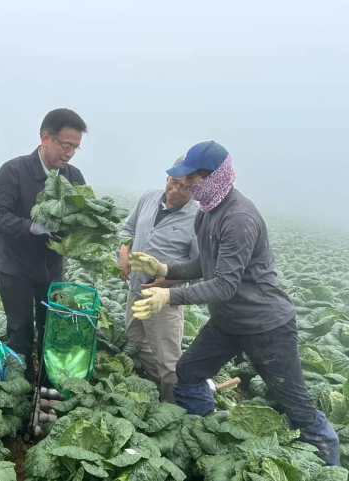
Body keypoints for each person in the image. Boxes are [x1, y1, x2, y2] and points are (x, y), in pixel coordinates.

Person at [128, 141, 340, 465]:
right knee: (188, 372)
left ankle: (330, 466)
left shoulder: (239, 217)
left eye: (192, 178)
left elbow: (225, 284)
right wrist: (165, 269)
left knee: (296, 406)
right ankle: (206, 434)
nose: (185, 184)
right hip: (227, 323)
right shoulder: (207, 213)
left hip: (266, 325)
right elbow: (204, 264)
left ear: (213, 177)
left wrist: (170, 295)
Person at [0, 108, 87, 382]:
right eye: (66, 145)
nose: (69, 154)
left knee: (52, 333)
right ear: (45, 137)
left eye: (75, 148)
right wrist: (33, 227)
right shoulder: (14, 171)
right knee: (19, 332)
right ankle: (19, 390)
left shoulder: (74, 177)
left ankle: (45, 385)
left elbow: (83, 216)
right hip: (15, 268)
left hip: (52, 271)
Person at [118, 155, 198, 403]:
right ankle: (159, 389)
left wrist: (168, 282)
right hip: (136, 289)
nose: (176, 190)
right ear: (167, 177)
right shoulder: (149, 198)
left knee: (168, 359)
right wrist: (123, 253)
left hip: (164, 299)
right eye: (173, 182)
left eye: (185, 187)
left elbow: (200, 266)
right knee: (135, 340)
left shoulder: (199, 217)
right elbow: (127, 229)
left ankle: (173, 408)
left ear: (195, 188)